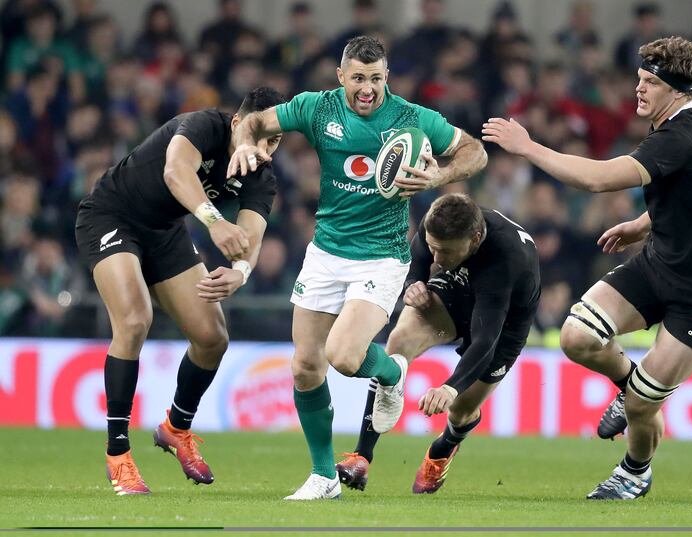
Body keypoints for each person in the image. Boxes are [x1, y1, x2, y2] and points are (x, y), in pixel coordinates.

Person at [482, 36, 692, 500]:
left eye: (649, 82)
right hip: (661, 263)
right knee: (576, 337)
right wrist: (645, 224)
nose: (638, 89)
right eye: (638, 79)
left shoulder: (683, 135)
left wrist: (527, 147)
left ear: (678, 90)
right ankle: (630, 386)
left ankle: (634, 473)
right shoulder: (687, 133)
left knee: (646, 405)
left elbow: (597, 180)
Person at [228, 35, 487, 500]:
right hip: (326, 252)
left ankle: (391, 374)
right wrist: (244, 145)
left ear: (386, 77)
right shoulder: (316, 107)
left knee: (344, 356)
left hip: (382, 254)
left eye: (375, 79)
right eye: (358, 79)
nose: (367, 89)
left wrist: (437, 176)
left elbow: (475, 152)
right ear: (341, 77)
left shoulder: (411, 118)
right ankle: (324, 478)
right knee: (306, 366)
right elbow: (253, 121)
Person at [75, 86, 285, 496]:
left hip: (164, 233)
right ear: (238, 123)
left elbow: (253, 236)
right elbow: (176, 171)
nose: (265, 149)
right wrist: (213, 222)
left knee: (212, 338)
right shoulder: (206, 125)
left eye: (274, 140)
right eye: (259, 135)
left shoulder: (261, 173)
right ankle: (118, 454)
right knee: (135, 320)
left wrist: (240, 271)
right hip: (111, 216)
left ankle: (176, 428)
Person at [336, 193, 540, 494]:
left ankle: (442, 449)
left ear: (475, 238)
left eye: (444, 252)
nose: (436, 259)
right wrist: (414, 283)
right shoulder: (440, 223)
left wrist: (449, 387)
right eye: (433, 247)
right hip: (458, 286)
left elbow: (485, 339)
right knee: (400, 339)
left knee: (460, 409)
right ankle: (361, 456)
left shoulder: (505, 259)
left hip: (505, 320)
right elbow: (419, 257)